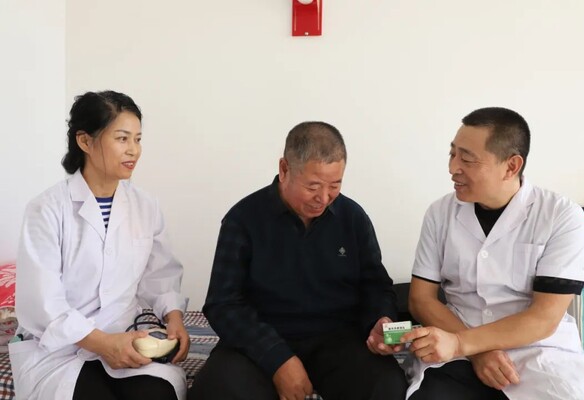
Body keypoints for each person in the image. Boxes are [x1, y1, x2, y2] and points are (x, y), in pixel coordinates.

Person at [189, 122, 407, 400]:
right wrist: (277, 358)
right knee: (217, 389)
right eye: (313, 186)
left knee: (387, 385)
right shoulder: (243, 220)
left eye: (335, 185)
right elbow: (223, 304)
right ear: (284, 169)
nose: (324, 198)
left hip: (339, 340)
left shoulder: (353, 219)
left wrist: (380, 320)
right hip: (261, 340)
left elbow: (376, 286)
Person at [402, 107, 584, 400]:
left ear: (511, 166)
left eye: (467, 159)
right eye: (452, 154)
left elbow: (544, 317)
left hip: (538, 351)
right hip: (455, 345)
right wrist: (473, 350)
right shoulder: (440, 213)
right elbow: (421, 299)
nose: (453, 167)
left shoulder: (560, 216)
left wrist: (463, 343)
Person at [9, 91, 190, 400]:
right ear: (85, 141)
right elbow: (44, 303)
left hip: (123, 336)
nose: (133, 150)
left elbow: (160, 276)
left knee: (156, 394)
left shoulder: (145, 206)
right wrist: (103, 344)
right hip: (58, 349)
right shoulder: (47, 209)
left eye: (137, 139)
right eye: (122, 138)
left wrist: (174, 319)